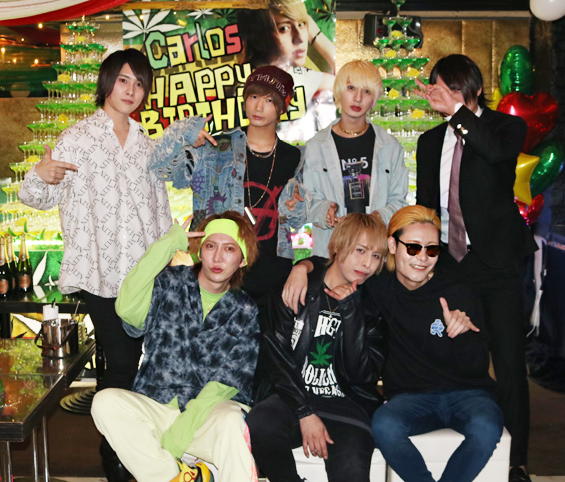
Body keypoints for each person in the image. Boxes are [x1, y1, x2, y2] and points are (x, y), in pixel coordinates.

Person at [18, 49, 173, 481]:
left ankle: (133, 448)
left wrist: (171, 258)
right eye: (124, 80)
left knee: (138, 363)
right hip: (99, 274)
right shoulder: (76, 138)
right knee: (121, 363)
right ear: (107, 82)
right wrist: (41, 174)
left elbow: (159, 212)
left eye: (139, 83)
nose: (132, 90)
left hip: (143, 275)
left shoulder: (147, 145)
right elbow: (35, 197)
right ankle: (115, 457)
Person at [414, 54, 537, 482]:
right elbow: (427, 206)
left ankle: (516, 460)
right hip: (451, 265)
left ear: (476, 89)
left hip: (497, 264)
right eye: (440, 87)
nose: (446, 95)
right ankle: (457, 441)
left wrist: (457, 112)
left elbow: (495, 151)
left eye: (455, 87)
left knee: (508, 362)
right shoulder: (430, 142)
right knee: (453, 355)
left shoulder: (505, 127)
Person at [91, 211, 261, 482]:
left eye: (229, 249)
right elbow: (127, 309)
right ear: (200, 252)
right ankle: (174, 477)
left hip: (205, 417)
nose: (218, 257)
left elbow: (227, 381)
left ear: (242, 260)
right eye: (210, 246)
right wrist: (168, 244)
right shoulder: (170, 282)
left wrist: (178, 436)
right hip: (157, 404)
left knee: (232, 420)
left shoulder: (245, 310)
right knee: (104, 402)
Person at [149, 65, 308, 315]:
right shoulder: (215, 147)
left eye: (269, 100)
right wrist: (182, 133)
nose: (258, 107)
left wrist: (297, 206)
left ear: (282, 107)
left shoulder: (296, 157)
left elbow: (297, 222)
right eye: (253, 96)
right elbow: (161, 168)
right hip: (217, 279)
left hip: (273, 280)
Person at [247, 213, 388, 482]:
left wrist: (351, 313)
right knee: (259, 424)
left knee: (352, 472)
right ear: (339, 246)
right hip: (292, 398)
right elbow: (276, 354)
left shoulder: (371, 306)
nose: (367, 264)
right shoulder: (295, 288)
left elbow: (361, 375)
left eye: (376, 256)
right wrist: (305, 411)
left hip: (347, 406)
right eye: (360, 251)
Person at [367, 205, 503, 482]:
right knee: (384, 425)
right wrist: (303, 266)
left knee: (487, 426)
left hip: (467, 393)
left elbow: (477, 367)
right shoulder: (378, 286)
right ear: (392, 245)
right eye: (413, 247)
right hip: (411, 397)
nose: (422, 257)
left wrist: (461, 335)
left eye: (432, 250)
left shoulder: (457, 292)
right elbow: (335, 265)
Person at [302, 59, 409, 259]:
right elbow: (308, 199)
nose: (358, 98)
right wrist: (326, 211)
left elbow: (399, 201)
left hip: (376, 253)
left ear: (374, 99)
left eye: (366, 91)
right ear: (339, 91)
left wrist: (378, 217)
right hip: (331, 251)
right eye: (351, 88)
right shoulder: (316, 146)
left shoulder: (390, 147)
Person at [238, 0, 337, 142]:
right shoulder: (298, 79)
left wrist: (312, 31)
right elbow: (347, 81)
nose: (300, 38)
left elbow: (349, 83)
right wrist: (315, 34)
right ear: (261, 36)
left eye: (302, 25)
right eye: (284, 28)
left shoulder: (301, 76)